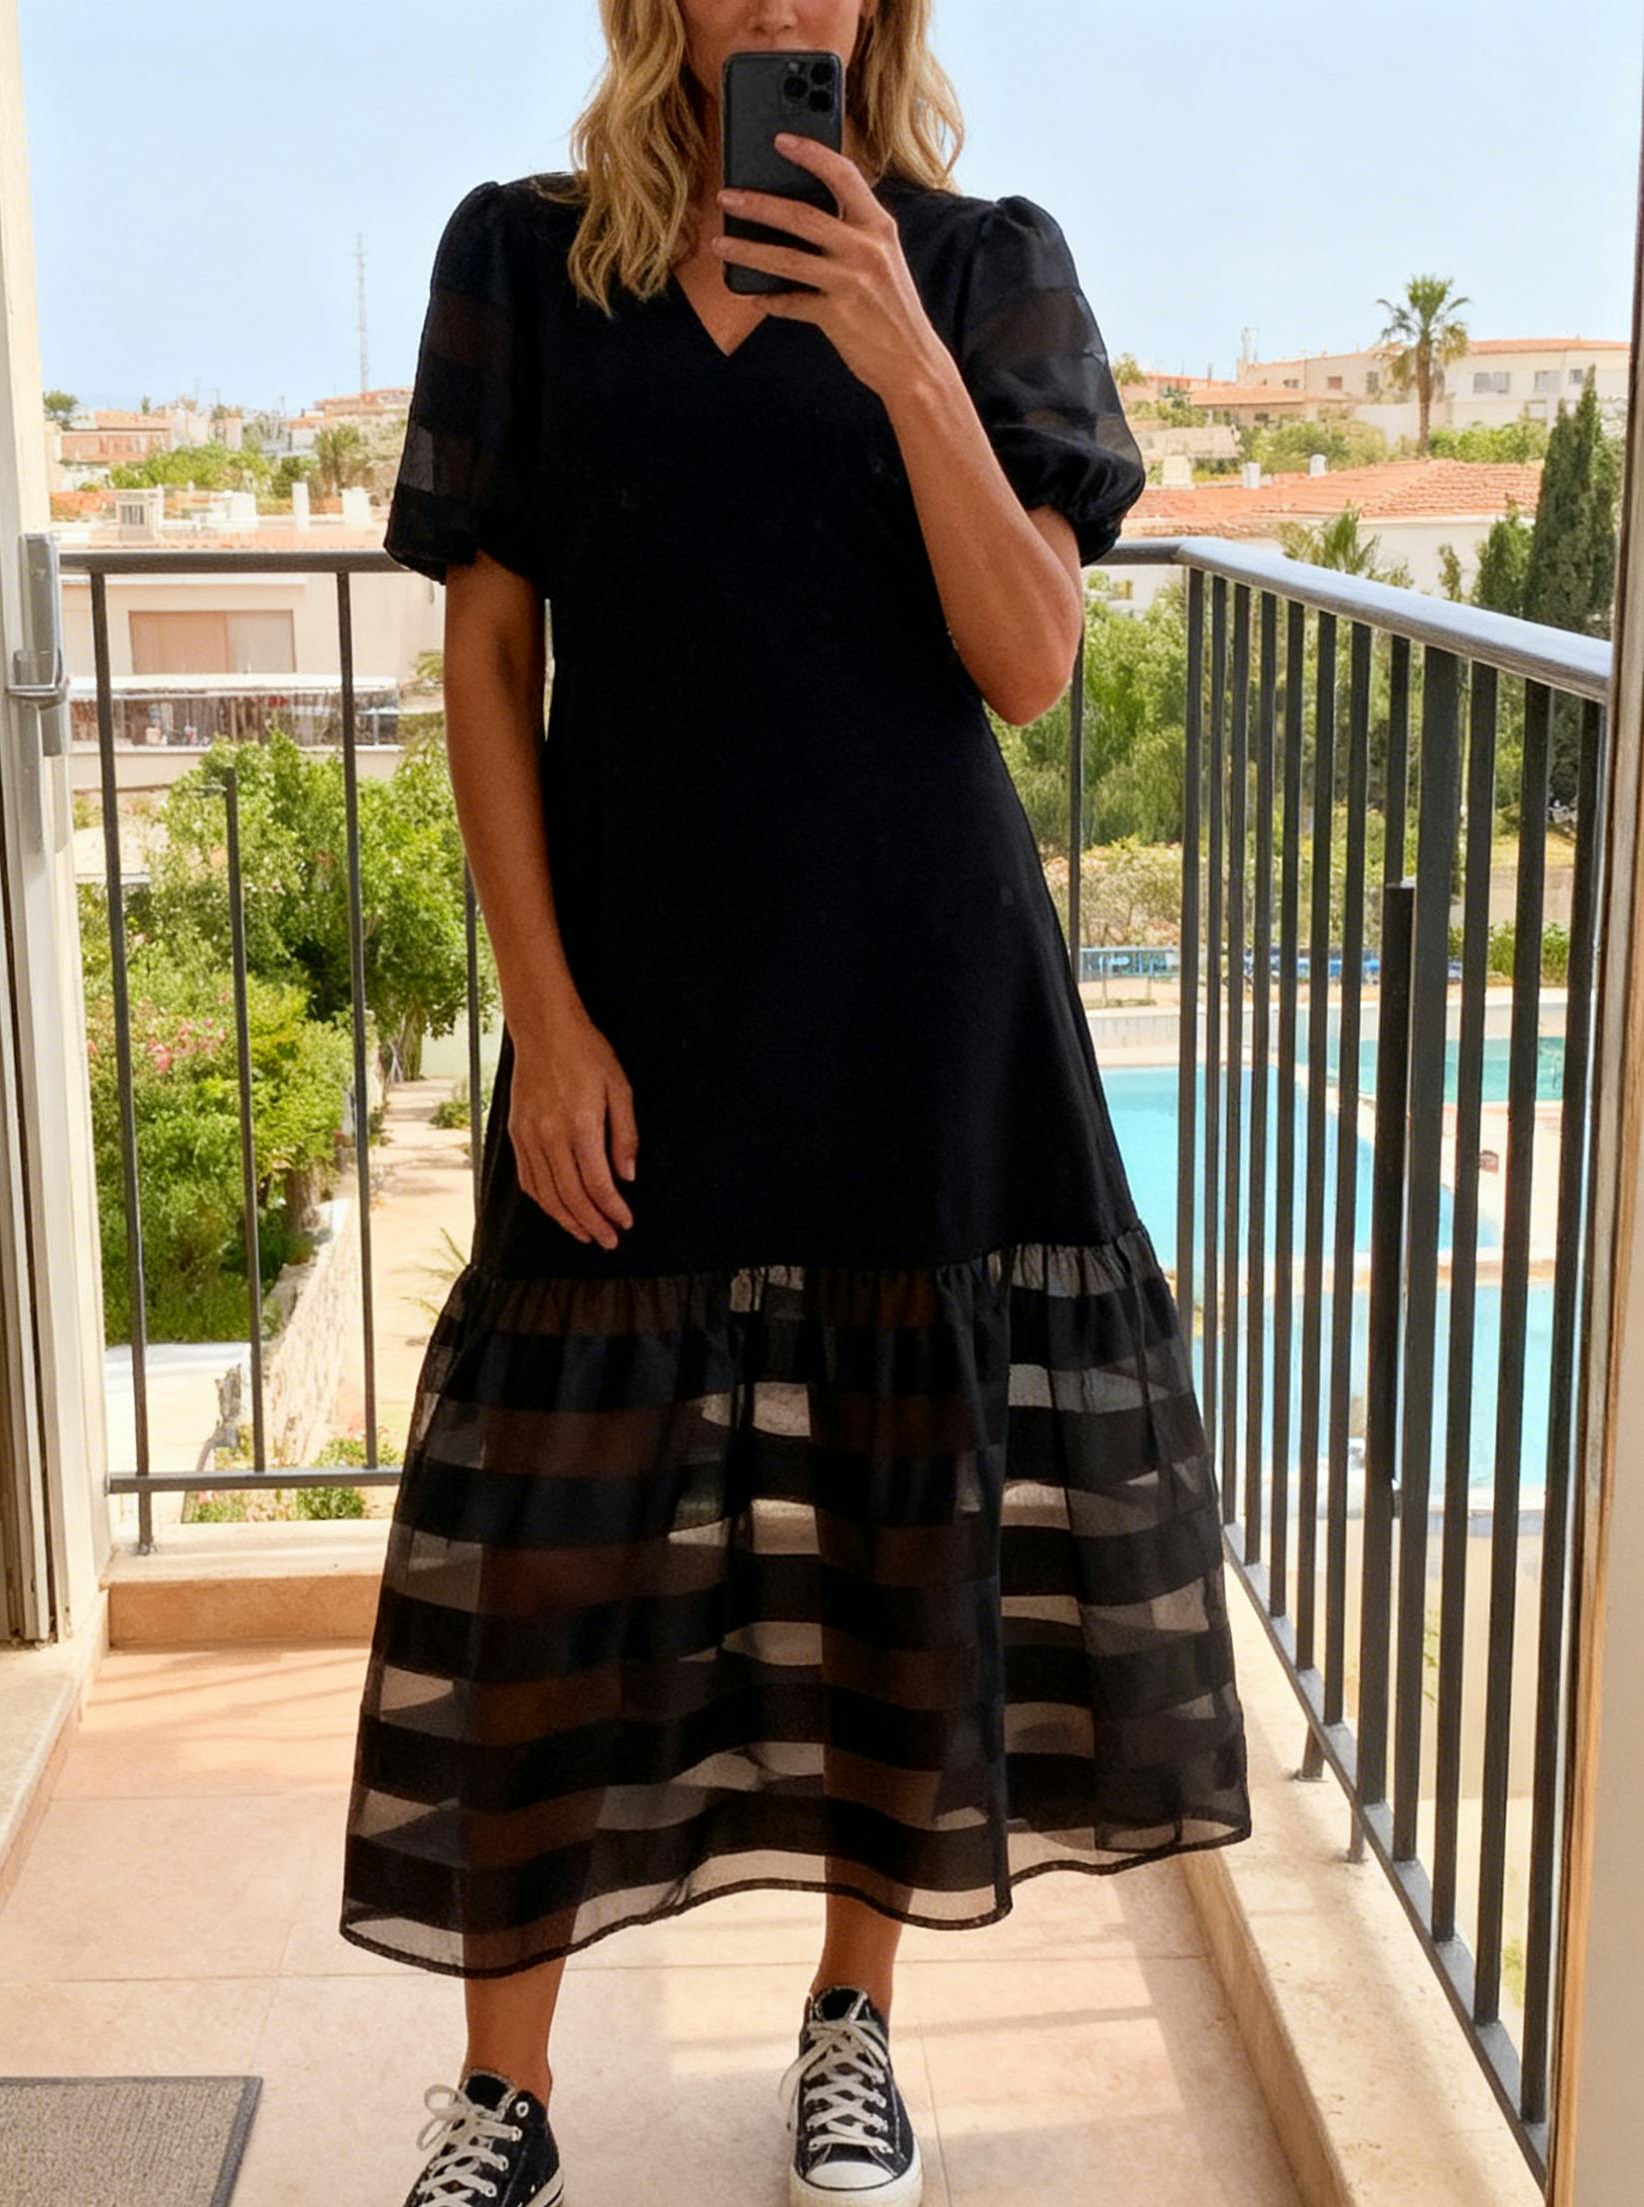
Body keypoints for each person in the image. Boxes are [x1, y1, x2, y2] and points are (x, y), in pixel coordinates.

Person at [346, 5, 1252, 2203]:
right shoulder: (521, 257)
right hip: (633, 988)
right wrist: (542, 1014)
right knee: (550, 1540)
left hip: (916, 991)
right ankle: (502, 2096)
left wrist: (902, 353)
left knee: (895, 1516)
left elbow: (1028, 662)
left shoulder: (985, 266)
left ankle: (854, 2020)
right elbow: (487, 659)